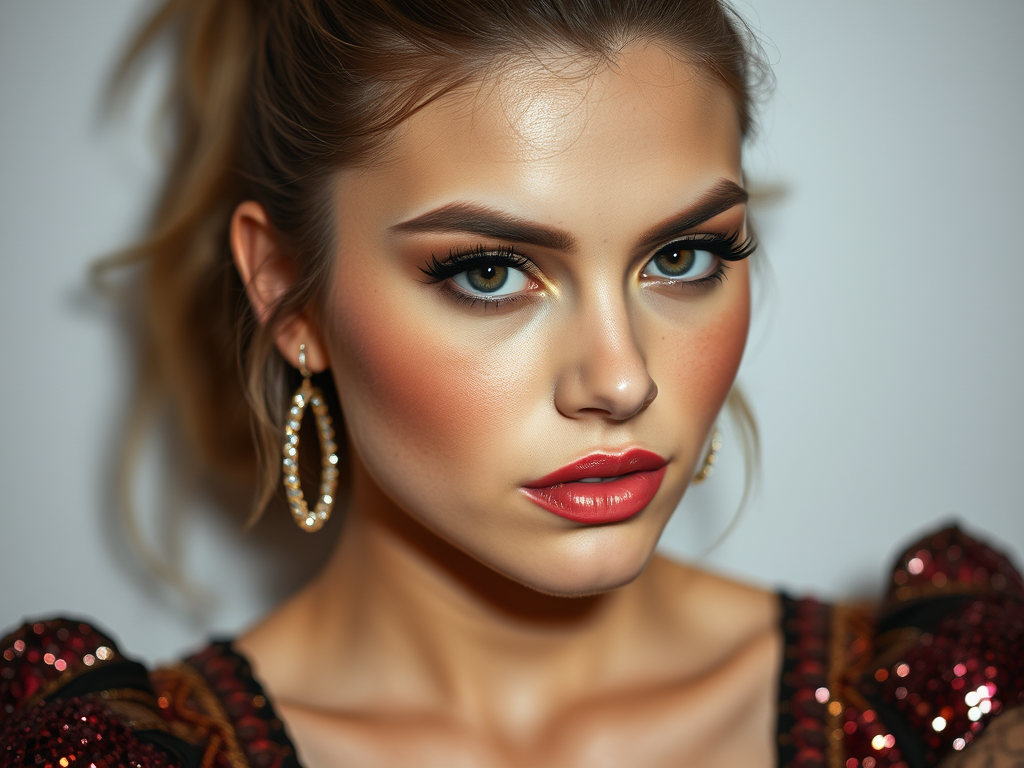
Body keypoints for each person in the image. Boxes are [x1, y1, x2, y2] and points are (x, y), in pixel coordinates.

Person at [1, 1, 1021, 766]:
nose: (620, 381)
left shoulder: (959, 702)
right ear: (286, 295)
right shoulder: (99, 747)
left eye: (682, 259)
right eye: (488, 273)